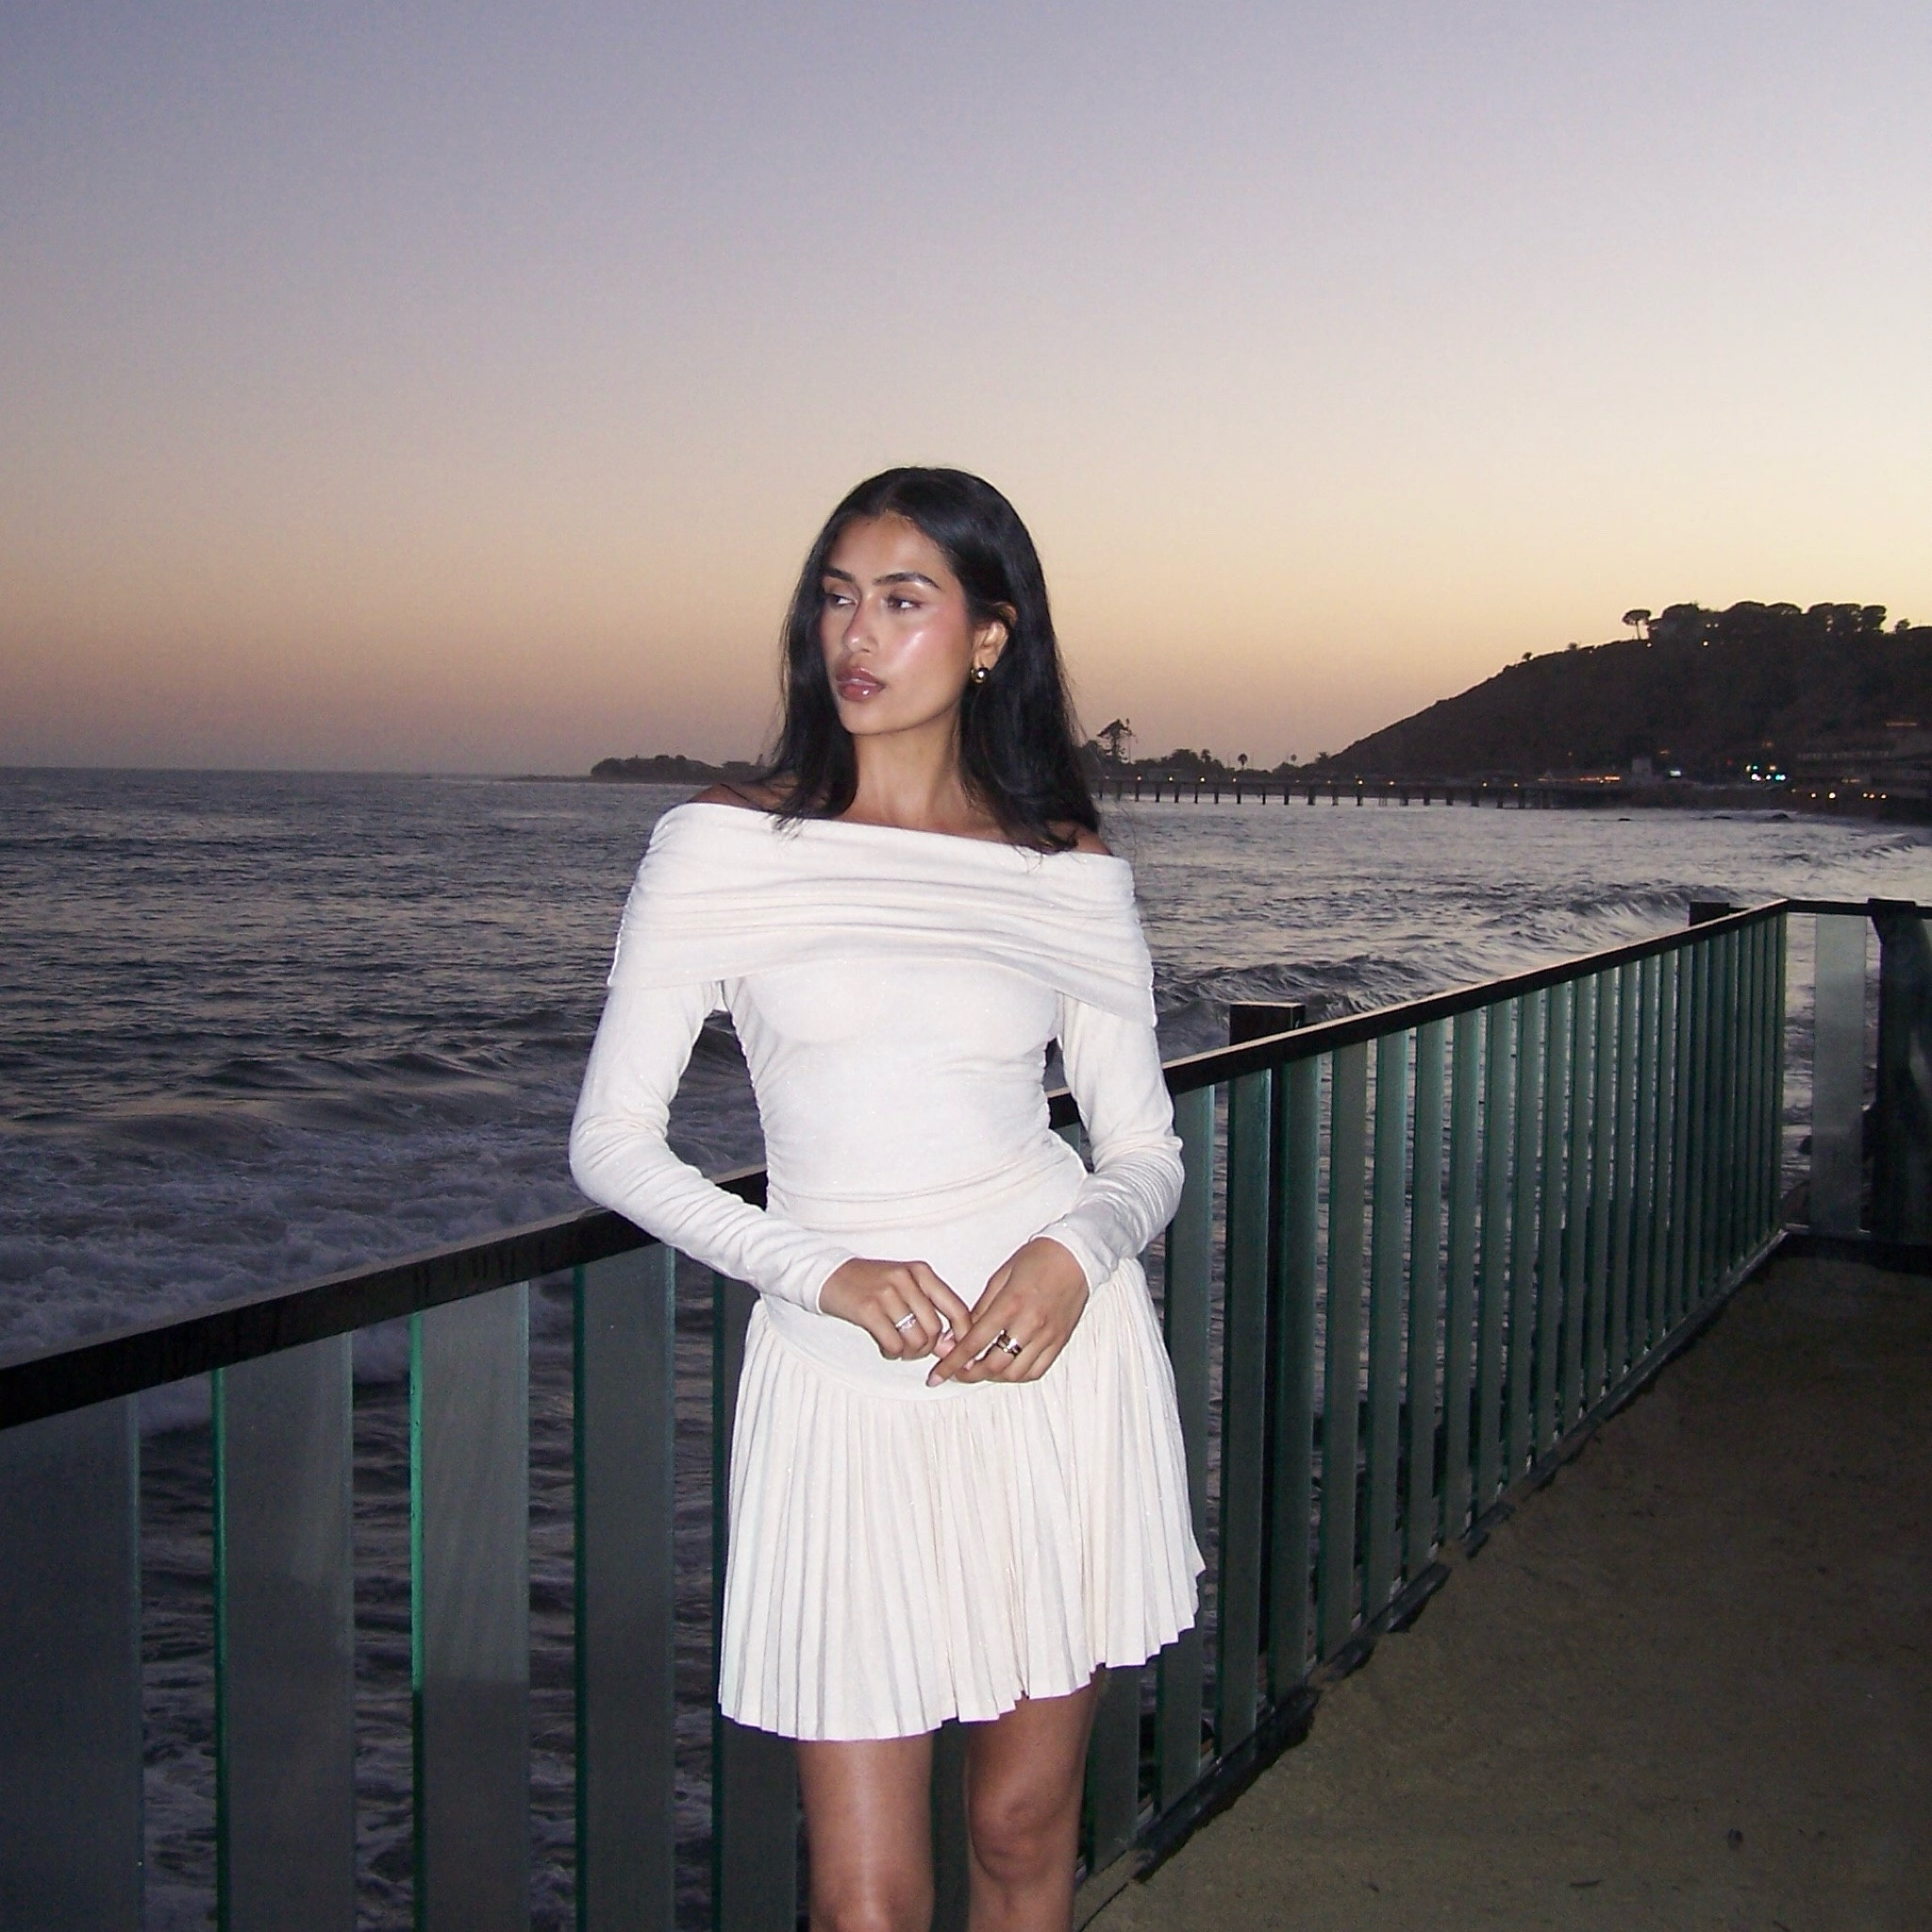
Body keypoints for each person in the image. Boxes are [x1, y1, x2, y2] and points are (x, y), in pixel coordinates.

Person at [570, 468, 1201, 1932]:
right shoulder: (720, 846)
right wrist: (820, 1274)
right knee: (863, 1899)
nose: (855, 634)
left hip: (1051, 1365)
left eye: (904, 600)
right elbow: (613, 1142)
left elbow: (1143, 1152)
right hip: (843, 1389)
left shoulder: (1066, 871)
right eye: (836, 597)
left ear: (992, 635)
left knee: (1024, 1827)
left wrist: (1073, 1253)